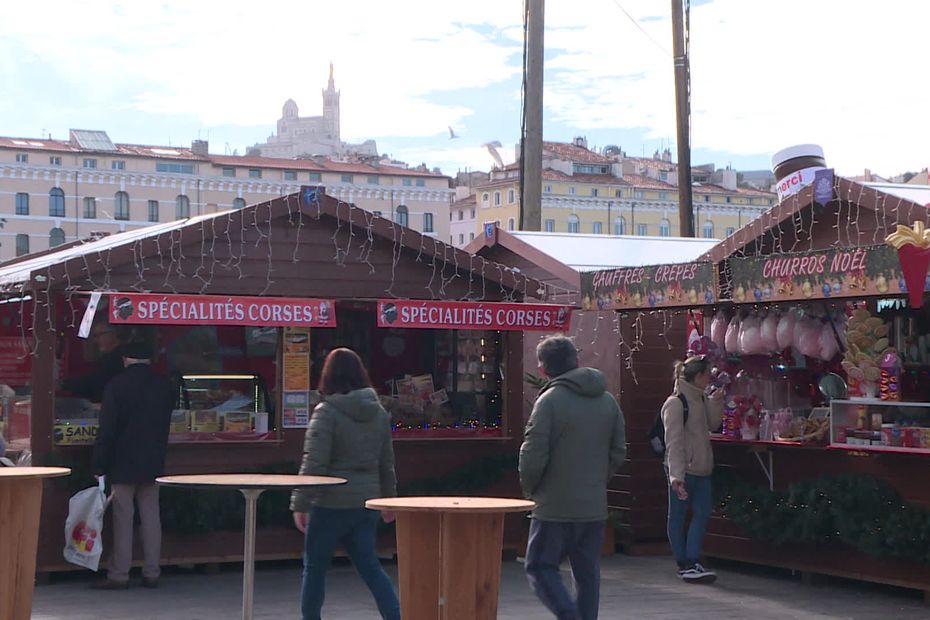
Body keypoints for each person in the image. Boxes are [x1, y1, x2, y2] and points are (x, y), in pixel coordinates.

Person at [519, 335, 627, 620]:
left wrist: (532, 490)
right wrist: (597, 480)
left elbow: (532, 454)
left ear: (543, 369)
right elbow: (618, 451)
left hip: (554, 506)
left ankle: (569, 616)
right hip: (593, 505)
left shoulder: (549, 402)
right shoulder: (607, 401)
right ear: (576, 360)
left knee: (540, 567)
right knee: (587, 573)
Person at [291, 348, 400, 620]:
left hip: (330, 503)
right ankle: (395, 616)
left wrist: (301, 503)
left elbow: (314, 464)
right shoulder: (378, 413)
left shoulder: (326, 412)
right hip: (366, 502)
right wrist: (388, 500)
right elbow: (386, 463)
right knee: (370, 566)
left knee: (314, 568)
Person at [91, 341, 174, 589]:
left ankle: (119, 575)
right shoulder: (163, 386)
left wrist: (99, 464)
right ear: (150, 359)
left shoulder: (117, 385)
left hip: (123, 462)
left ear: (125, 359)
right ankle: (152, 572)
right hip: (153, 461)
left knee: (123, 518)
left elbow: (107, 429)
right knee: (151, 517)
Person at [662, 355, 724, 584]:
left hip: (702, 467)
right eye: (707, 374)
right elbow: (674, 441)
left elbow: (713, 424)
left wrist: (716, 402)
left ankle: (693, 559)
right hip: (684, 468)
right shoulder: (676, 403)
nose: (710, 379)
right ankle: (684, 562)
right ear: (698, 376)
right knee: (677, 516)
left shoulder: (700, 398)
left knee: (703, 512)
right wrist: (676, 476)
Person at [61, 322, 125, 402]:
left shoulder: (117, 359)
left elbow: (96, 382)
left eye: (99, 335)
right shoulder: (105, 358)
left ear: (114, 334)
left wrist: (64, 385)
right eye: (95, 336)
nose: (95, 341)